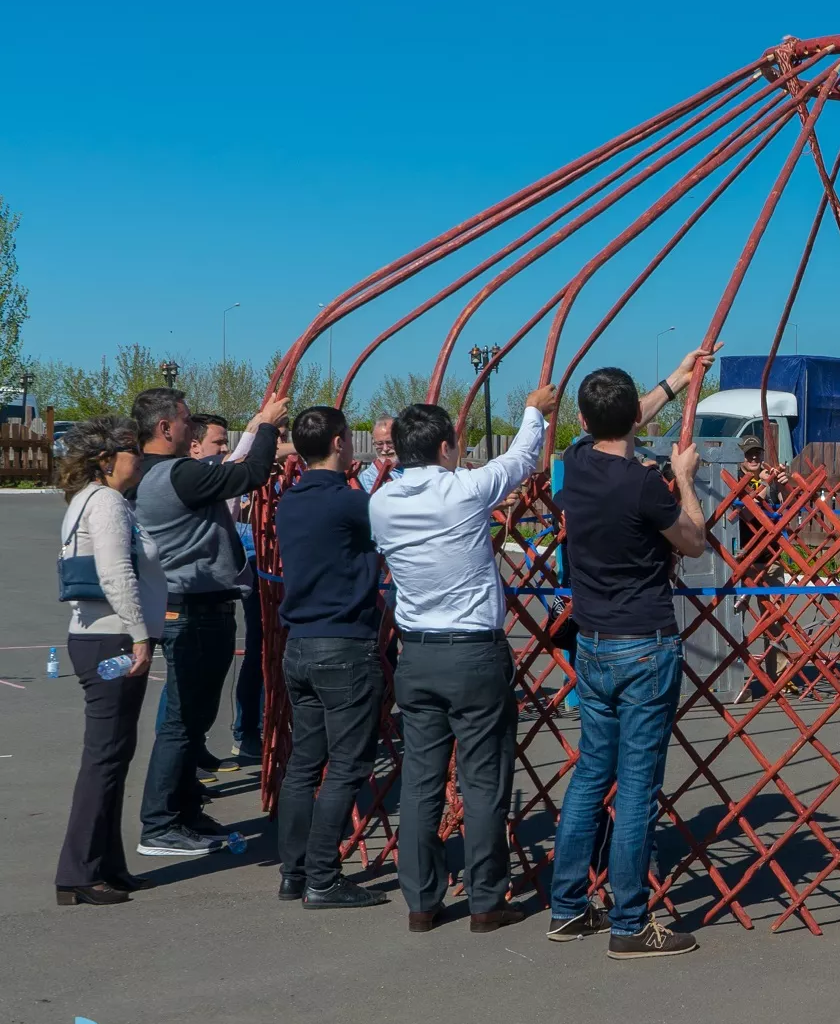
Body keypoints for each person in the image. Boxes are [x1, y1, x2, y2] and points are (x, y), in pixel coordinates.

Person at [369, 383, 560, 932]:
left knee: (420, 782)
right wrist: (533, 411)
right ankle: (485, 902)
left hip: (417, 656)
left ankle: (421, 903)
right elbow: (521, 458)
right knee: (483, 782)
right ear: (445, 447)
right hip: (473, 653)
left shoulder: (380, 503)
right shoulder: (464, 490)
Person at [548, 364, 710, 959]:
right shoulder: (643, 484)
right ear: (631, 421)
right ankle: (630, 923)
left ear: (584, 421)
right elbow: (694, 540)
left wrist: (679, 378)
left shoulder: (575, 465)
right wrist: (684, 479)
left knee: (592, 775)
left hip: (592, 644)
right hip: (645, 643)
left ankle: (567, 908)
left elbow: (622, 418)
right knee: (637, 787)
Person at [130, 386, 287, 859]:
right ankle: (160, 823)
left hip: (193, 605)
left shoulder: (151, 473)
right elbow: (250, 473)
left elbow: (233, 467)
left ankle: (184, 811)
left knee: (193, 721)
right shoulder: (177, 475)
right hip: (193, 609)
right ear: (165, 428)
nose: (191, 428)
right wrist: (266, 425)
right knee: (183, 723)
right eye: (184, 420)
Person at [272, 405, 391, 909]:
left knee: (304, 764)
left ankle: (294, 873)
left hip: (299, 645)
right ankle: (323, 878)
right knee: (346, 765)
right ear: (340, 442)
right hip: (343, 645)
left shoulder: (289, 501)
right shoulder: (351, 503)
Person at [54, 417, 167, 906]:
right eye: (132, 452)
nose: (139, 459)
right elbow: (116, 572)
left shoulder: (91, 500)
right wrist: (140, 635)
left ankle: (107, 864)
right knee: (104, 757)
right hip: (111, 640)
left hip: (100, 637)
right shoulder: (106, 503)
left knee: (115, 755)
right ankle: (77, 872)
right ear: (106, 460)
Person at [190, 413, 267, 766]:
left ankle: (195, 753)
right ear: (195, 446)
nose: (224, 448)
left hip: (220, 593)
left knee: (207, 683)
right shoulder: (192, 480)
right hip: (195, 597)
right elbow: (238, 465)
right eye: (218, 442)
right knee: (187, 688)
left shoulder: (206, 478)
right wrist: (257, 431)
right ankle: (183, 767)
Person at [730, 433, 795, 703]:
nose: (754, 457)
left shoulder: (771, 477)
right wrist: (764, 487)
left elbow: (791, 508)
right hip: (740, 557)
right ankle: (733, 680)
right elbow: (746, 511)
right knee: (734, 619)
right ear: (740, 457)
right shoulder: (733, 479)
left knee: (775, 618)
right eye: (749, 453)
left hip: (770, 557)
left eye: (757, 452)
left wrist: (784, 485)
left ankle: (780, 678)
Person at [357, 414, 398, 492]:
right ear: (373, 444)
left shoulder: (412, 468)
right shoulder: (369, 477)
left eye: (390, 443)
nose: (385, 449)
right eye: (379, 444)